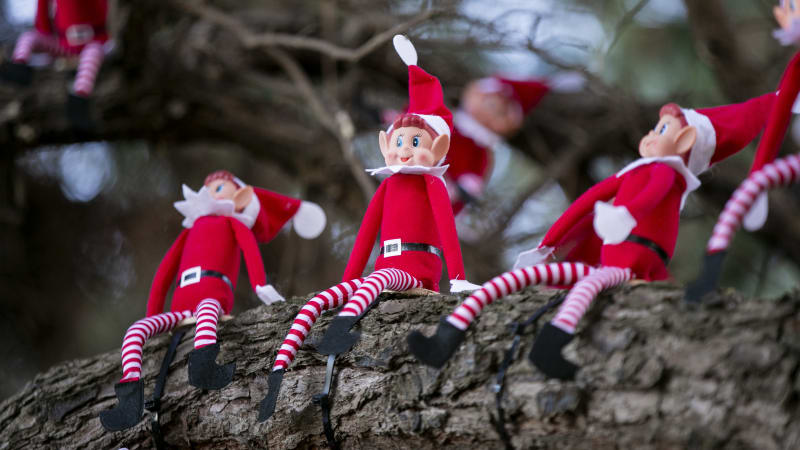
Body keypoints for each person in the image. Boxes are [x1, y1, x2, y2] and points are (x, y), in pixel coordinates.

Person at [257, 35, 479, 421]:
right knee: (317, 301)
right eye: (398, 141)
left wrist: (457, 280)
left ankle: (337, 333)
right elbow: (365, 236)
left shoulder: (433, 183)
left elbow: (447, 230)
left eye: (415, 141)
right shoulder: (388, 185)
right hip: (383, 270)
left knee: (374, 283)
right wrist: (347, 280)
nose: (405, 149)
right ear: (384, 145)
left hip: (415, 271)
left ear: (438, 148)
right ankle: (278, 372)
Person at [99, 170, 326, 431]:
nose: (208, 193)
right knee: (135, 331)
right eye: (207, 188)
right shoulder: (189, 232)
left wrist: (261, 287)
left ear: (240, 196)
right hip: (179, 309)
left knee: (208, 312)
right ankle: (128, 402)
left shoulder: (234, 224)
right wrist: (153, 314)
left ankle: (204, 367)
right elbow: (164, 274)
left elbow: (251, 253)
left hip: (211, 298)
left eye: (218, 188)